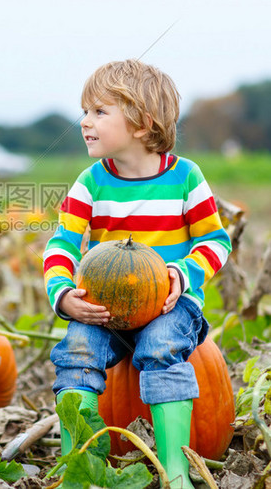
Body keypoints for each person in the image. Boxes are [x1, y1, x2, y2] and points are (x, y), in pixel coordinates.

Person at [43, 59, 231, 488]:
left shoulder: (186, 178)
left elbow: (216, 242)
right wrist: (63, 292)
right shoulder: (91, 183)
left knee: (163, 347)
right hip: (105, 308)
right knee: (75, 353)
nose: (84, 121)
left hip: (169, 306)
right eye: (85, 111)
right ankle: (81, 467)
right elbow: (62, 244)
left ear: (142, 124)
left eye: (98, 112)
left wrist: (181, 276)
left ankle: (176, 472)